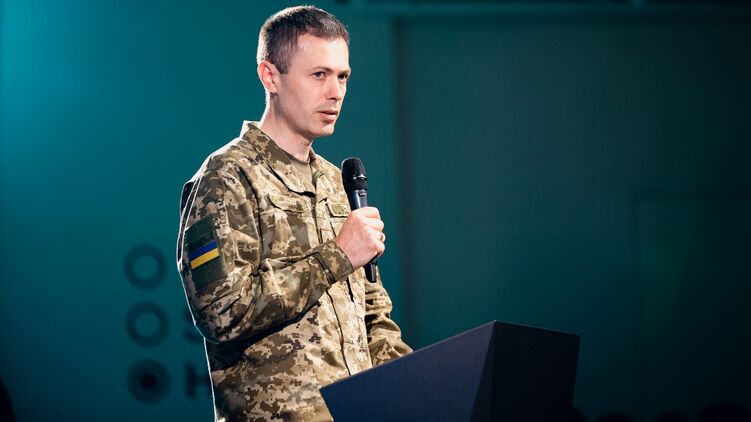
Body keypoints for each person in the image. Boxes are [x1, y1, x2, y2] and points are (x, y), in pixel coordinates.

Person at [175, 6, 412, 421]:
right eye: (319, 74)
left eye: (342, 76)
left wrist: (420, 389)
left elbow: (372, 313)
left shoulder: (335, 182)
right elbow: (222, 312)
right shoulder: (227, 177)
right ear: (270, 76)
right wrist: (337, 256)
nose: (335, 92)